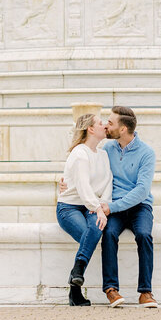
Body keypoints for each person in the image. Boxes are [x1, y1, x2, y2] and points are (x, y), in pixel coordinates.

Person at [100, 106, 158, 308]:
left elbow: (142, 190)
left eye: (110, 122)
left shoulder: (147, 153)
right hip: (115, 206)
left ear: (123, 129)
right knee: (108, 234)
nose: (106, 125)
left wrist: (112, 207)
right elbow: (90, 170)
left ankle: (145, 292)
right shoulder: (106, 149)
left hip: (139, 206)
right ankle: (111, 289)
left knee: (144, 235)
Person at [56, 113, 113, 306]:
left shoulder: (103, 154)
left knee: (96, 228)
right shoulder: (80, 153)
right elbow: (83, 186)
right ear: (90, 129)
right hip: (69, 207)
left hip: (92, 206)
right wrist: (97, 208)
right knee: (88, 235)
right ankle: (76, 283)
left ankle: (76, 276)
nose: (105, 125)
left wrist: (102, 206)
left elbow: (108, 183)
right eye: (100, 123)